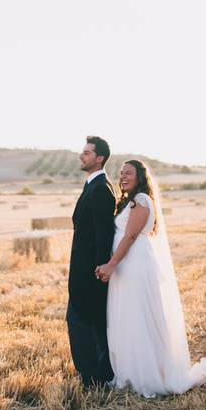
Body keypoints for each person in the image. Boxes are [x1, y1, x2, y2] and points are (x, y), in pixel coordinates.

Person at [95, 159, 206, 397]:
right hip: (126, 266)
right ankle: (129, 372)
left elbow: (130, 236)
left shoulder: (141, 200)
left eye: (128, 173)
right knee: (127, 316)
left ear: (140, 176)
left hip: (134, 266)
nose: (122, 176)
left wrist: (111, 264)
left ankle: (147, 376)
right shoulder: (130, 201)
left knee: (138, 317)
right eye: (121, 173)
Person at [66, 135, 116, 387]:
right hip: (82, 269)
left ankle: (94, 377)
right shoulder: (92, 185)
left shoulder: (100, 190)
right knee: (84, 322)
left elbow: (104, 234)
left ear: (100, 158)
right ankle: (94, 374)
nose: (81, 155)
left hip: (90, 273)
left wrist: (98, 271)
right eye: (81, 151)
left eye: (86, 152)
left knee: (84, 322)